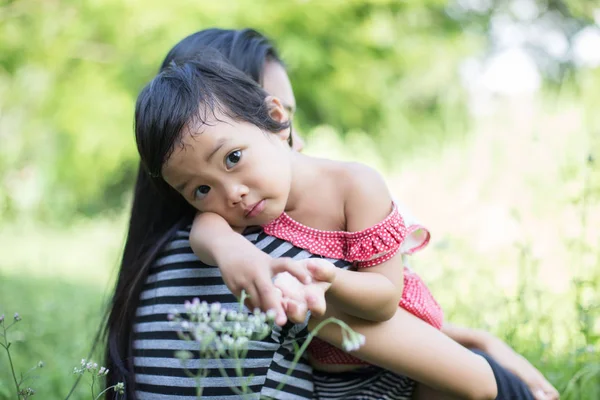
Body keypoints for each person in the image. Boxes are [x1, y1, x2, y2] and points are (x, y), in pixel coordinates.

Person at [105, 28, 558, 400]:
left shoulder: (174, 253)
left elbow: (382, 319)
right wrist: (481, 355)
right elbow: (473, 382)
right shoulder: (263, 250)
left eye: (291, 120)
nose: (297, 143)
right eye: (211, 176)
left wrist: (474, 338)